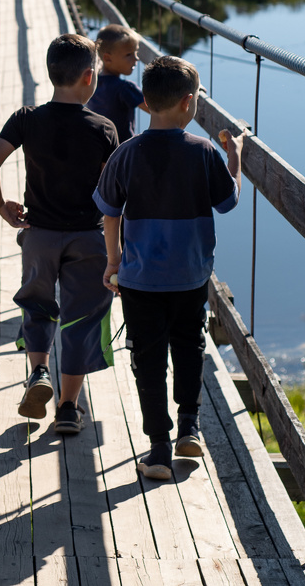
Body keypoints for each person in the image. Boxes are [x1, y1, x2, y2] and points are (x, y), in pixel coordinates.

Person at [94, 56, 243, 481]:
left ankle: (158, 448)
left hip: (139, 279)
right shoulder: (202, 150)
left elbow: (108, 211)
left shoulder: (126, 153)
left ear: (145, 100)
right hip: (190, 276)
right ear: (188, 103)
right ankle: (190, 427)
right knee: (189, 346)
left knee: (148, 358)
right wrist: (237, 158)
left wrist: (113, 261)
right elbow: (228, 201)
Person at [0, 34, 119, 435]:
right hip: (88, 238)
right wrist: (118, 252)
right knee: (82, 318)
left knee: (38, 305)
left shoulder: (26, 119)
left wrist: (0, 205)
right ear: (90, 77)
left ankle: (39, 371)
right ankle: (69, 409)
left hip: (38, 234)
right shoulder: (104, 128)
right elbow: (115, 194)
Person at [86, 24, 149, 143]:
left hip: (98, 147)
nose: (136, 59)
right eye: (129, 55)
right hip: (122, 151)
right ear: (108, 58)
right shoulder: (125, 88)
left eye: (136, 52)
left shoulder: (92, 82)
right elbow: (156, 110)